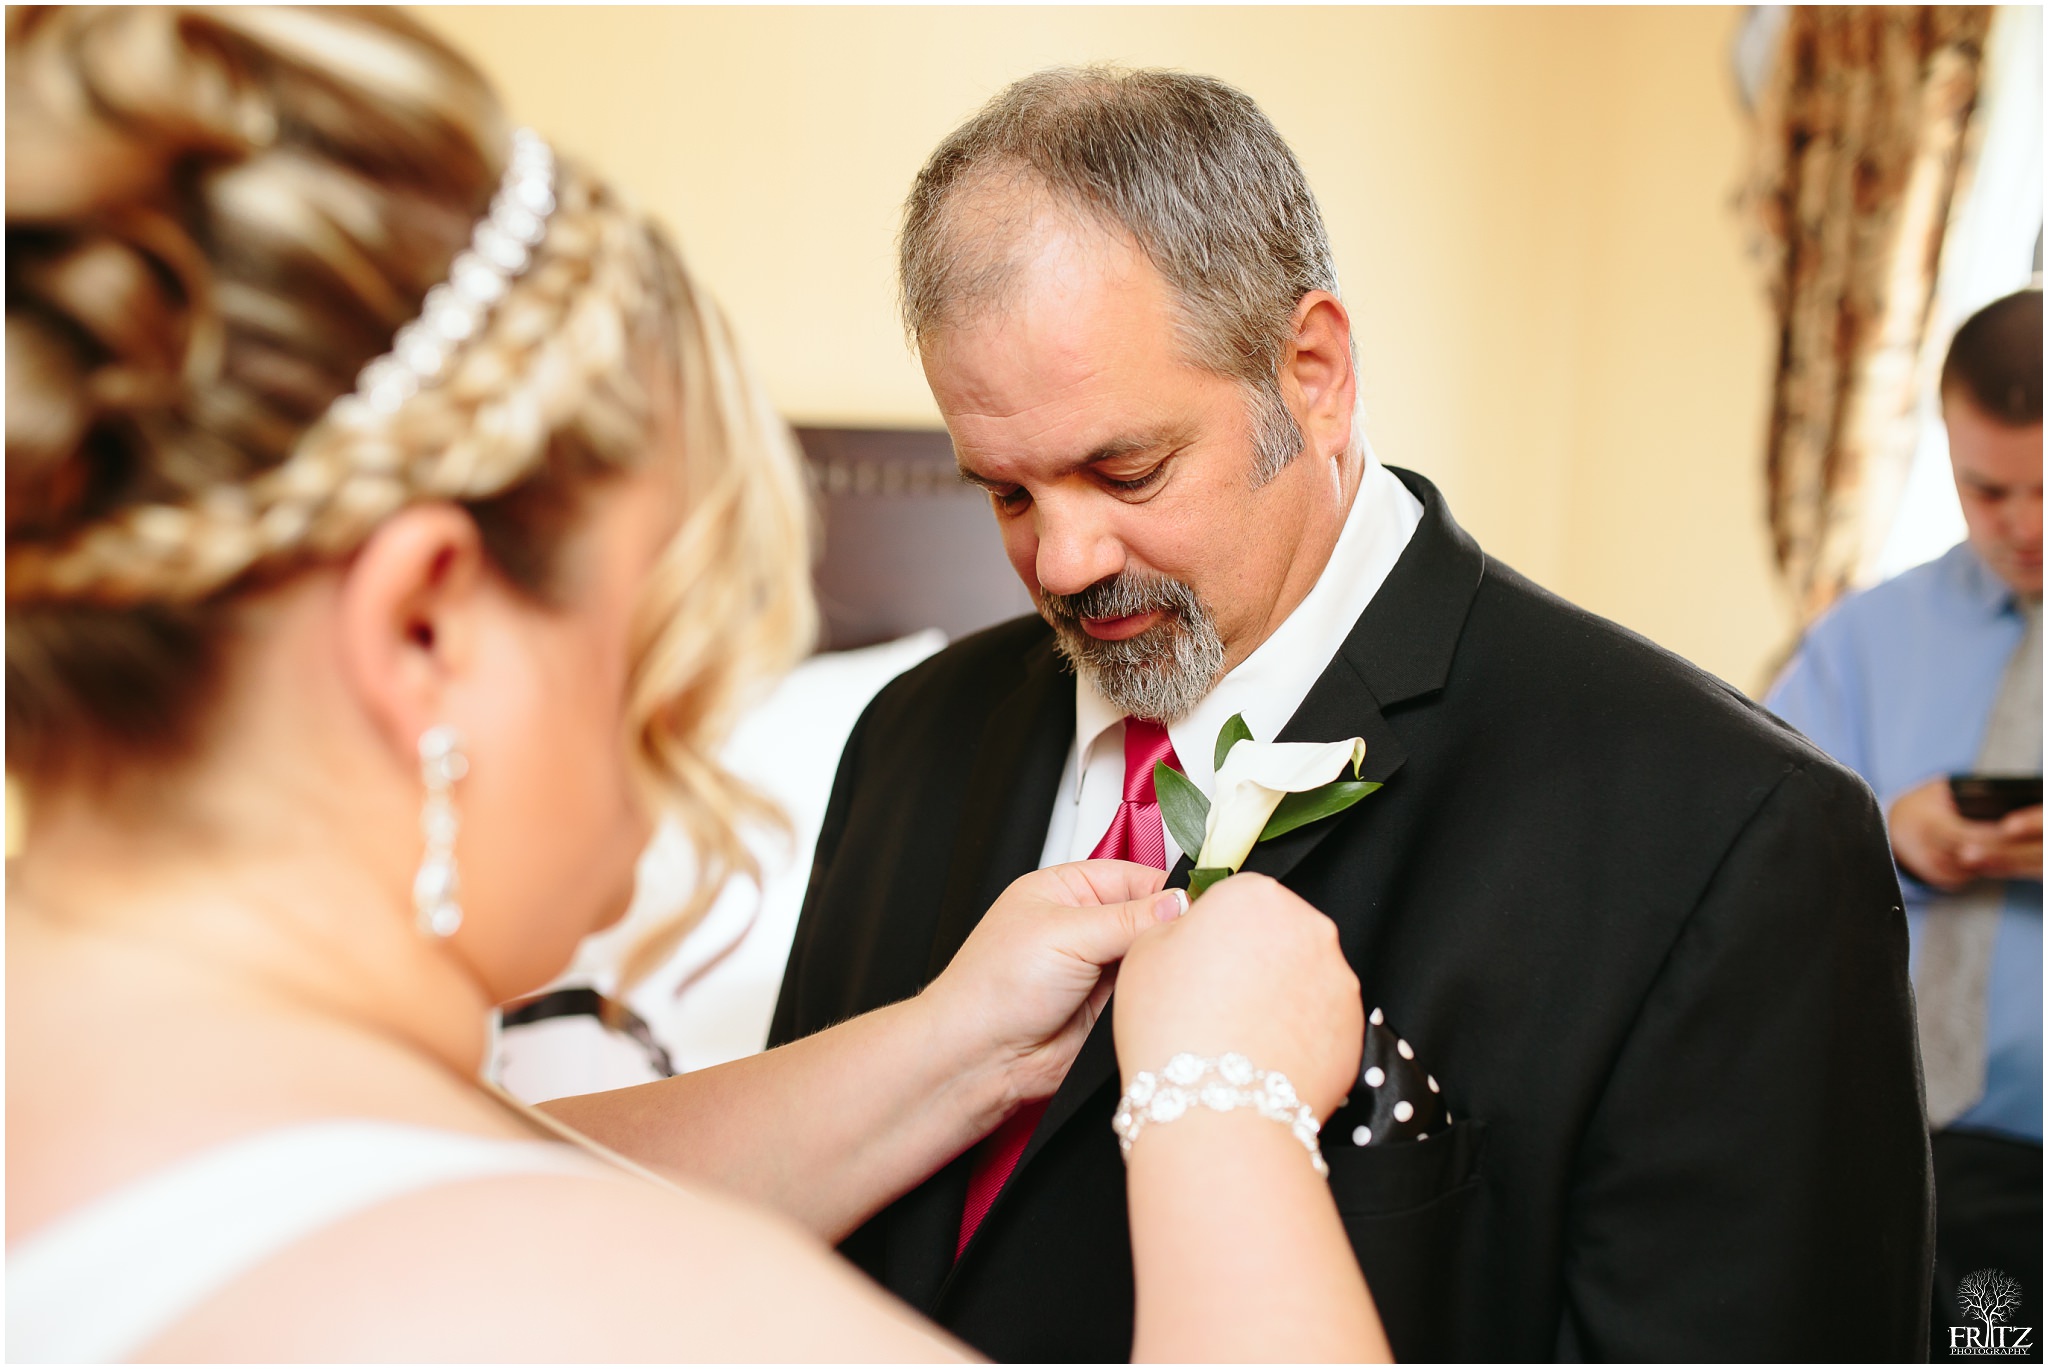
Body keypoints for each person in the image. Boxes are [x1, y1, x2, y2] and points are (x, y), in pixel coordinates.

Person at [4, 12, 1386, 1361]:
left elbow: (510, 1168)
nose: (665, 784)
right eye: (655, 668)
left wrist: (953, 1046)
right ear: (420, 629)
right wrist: (1226, 1105)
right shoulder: (644, 1307)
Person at [770, 65, 1932, 1361]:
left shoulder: (1732, 836)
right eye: (1005, 492)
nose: (1063, 560)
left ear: (1313, 371)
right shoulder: (908, 735)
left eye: (1127, 469)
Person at [1769, 287, 2043, 1357]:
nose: (2022, 526)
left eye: (2046, 488)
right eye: (1986, 490)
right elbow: (1762, 848)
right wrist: (1888, 836)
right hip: (1885, 1146)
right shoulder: (1861, 638)